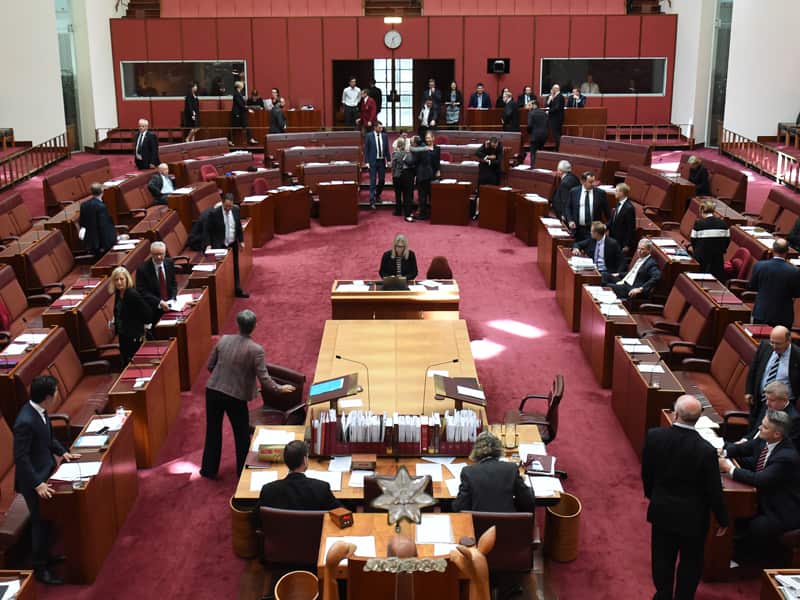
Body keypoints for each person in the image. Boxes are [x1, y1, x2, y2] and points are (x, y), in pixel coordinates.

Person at [641, 395, 728, 600]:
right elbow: (713, 489)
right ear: (698, 419)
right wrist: (722, 518)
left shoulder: (654, 436)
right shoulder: (706, 451)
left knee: (662, 558)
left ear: (675, 414)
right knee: (691, 562)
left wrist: (652, 495)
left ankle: (662, 594)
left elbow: (647, 472)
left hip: (662, 511)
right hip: (694, 519)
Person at [201, 310, 295, 478]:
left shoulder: (223, 340)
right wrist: (280, 388)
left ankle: (208, 470)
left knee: (213, 431)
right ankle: (242, 472)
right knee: (241, 434)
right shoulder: (256, 350)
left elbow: (210, 366)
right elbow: (264, 379)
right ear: (254, 326)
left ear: (238, 325)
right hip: (235, 397)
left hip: (213, 391)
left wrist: (223, 379)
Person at [13, 375, 81, 585]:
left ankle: (47, 556)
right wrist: (37, 484)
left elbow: (47, 438)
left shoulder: (39, 412)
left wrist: (64, 453)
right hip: (33, 481)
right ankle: (40, 569)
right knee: (39, 522)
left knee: (48, 518)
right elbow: (21, 458)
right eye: (55, 391)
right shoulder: (24, 421)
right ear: (46, 397)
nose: (57, 394)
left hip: (46, 471)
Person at [721, 410, 800, 563]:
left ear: (777, 434)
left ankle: (748, 560)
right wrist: (721, 451)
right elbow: (742, 449)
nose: (759, 429)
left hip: (781, 509)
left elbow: (761, 479)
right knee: (736, 509)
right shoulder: (764, 440)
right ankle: (731, 548)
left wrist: (730, 469)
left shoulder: (787, 457)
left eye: (764, 427)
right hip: (764, 496)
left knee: (758, 526)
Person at [452, 431, 535, 513]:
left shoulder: (468, 472)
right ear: (499, 449)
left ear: (475, 451)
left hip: (478, 525)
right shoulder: (511, 468)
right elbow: (528, 500)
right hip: (508, 524)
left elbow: (459, 507)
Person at [257, 440, 341, 512]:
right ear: (305, 460)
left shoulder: (268, 490)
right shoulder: (321, 489)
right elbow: (342, 513)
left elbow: (255, 519)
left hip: (281, 531)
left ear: (286, 461)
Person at [745, 325, 800, 420]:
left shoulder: (797, 356)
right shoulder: (765, 346)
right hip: (759, 400)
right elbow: (753, 369)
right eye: (772, 342)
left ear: (788, 341)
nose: (774, 347)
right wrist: (749, 391)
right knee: (754, 430)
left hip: (780, 406)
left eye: (778, 344)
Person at [203, 193, 249, 298]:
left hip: (233, 243)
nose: (228, 208)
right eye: (226, 206)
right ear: (222, 203)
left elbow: (238, 226)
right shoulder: (214, 213)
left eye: (230, 206)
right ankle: (223, 294)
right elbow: (207, 230)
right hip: (220, 244)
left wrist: (241, 241)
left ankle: (237, 289)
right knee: (222, 269)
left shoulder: (236, 210)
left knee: (235, 266)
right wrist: (208, 244)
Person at [732, 381, 800, 450]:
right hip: (750, 445)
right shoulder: (768, 405)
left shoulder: (793, 419)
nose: (767, 403)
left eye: (772, 400)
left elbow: (783, 448)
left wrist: (744, 447)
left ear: (784, 400)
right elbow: (756, 430)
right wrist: (745, 440)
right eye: (767, 399)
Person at [748, 238, 800, 328]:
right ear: (787, 251)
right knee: (779, 341)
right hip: (783, 316)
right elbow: (797, 293)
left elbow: (752, 286)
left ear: (772, 250)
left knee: (757, 340)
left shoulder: (759, 265)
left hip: (761, 312)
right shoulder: (794, 271)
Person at [109, 266, 152, 365]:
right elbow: (118, 310)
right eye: (116, 280)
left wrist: (142, 326)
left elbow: (148, 312)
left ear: (127, 279)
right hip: (123, 335)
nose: (119, 282)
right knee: (126, 363)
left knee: (134, 364)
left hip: (134, 336)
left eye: (121, 279)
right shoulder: (118, 293)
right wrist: (115, 320)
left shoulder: (132, 294)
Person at [136, 241, 177, 326]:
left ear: (165, 253)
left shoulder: (169, 263)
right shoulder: (142, 269)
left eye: (161, 254)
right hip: (153, 308)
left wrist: (173, 298)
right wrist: (159, 302)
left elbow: (173, 284)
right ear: (151, 254)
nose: (158, 257)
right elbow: (142, 291)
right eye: (155, 254)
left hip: (170, 305)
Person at [689, 199, 730, 280]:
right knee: (715, 280)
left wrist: (697, 250)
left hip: (701, 258)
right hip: (717, 258)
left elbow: (693, 241)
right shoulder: (723, 224)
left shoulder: (699, 223)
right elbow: (727, 241)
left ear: (701, 210)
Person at [565, 171, 610, 243]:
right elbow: (568, 208)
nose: (593, 184)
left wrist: (606, 226)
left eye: (593, 181)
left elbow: (608, 213)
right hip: (577, 229)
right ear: (582, 181)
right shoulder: (574, 192)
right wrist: (570, 220)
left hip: (594, 231)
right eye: (590, 182)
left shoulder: (601, 193)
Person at [78, 182, 116, 257]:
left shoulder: (83, 205)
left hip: (90, 243)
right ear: (102, 192)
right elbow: (103, 227)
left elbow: (82, 223)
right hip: (101, 244)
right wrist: (111, 242)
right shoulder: (101, 207)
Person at [410, 132, 440, 221]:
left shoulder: (421, 149)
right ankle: (427, 212)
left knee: (424, 194)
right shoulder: (423, 148)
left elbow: (413, 161)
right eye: (426, 138)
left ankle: (424, 214)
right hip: (427, 173)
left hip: (425, 174)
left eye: (429, 137)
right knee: (424, 194)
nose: (428, 139)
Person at [364, 121, 390, 210]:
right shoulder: (369, 136)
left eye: (382, 127)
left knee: (382, 180)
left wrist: (389, 160)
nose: (381, 129)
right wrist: (366, 162)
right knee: (373, 180)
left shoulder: (384, 136)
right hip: (373, 161)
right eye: (380, 127)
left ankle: (377, 194)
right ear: (375, 127)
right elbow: (366, 150)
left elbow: (386, 149)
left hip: (382, 161)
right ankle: (371, 201)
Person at [608, 182, 636, 256]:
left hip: (621, 241)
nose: (615, 192)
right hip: (614, 238)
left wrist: (627, 244)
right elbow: (613, 220)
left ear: (622, 193)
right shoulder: (619, 203)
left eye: (616, 191)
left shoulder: (629, 208)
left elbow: (631, 228)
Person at [391, 137, 415, 221]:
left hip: (397, 176)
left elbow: (393, 166)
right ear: (404, 145)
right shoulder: (408, 154)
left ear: (397, 145)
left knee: (398, 195)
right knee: (406, 195)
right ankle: (407, 212)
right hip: (406, 176)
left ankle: (398, 211)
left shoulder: (395, 154)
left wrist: (393, 175)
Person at [230, 81, 257, 146]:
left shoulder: (239, 93)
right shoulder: (236, 94)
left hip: (241, 114)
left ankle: (250, 139)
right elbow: (241, 105)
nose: (243, 86)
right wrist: (248, 109)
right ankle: (229, 140)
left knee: (245, 125)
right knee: (234, 128)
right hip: (237, 114)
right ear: (239, 86)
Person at [527, 98, 548, 165]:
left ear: (534, 105)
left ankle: (533, 169)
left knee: (533, 153)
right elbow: (547, 124)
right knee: (540, 152)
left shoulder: (531, 113)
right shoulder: (544, 113)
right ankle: (540, 166)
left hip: (535, 136)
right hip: (544, 135)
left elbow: (529, 125)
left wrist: (529, 132)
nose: (528, 107)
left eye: (530, 105)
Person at [545, 83, 565, 151]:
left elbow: (557, 108)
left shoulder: (560, 96)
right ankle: (557, 148)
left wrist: (549, 111)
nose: (553, 89)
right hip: (553, 118)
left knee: (556, 134)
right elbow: (547, 105)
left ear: (557, 89)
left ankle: (559, 148)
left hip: (557, 119)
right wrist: (550, 99)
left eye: (554, 88)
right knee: (556, 135)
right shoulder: (553, 96)